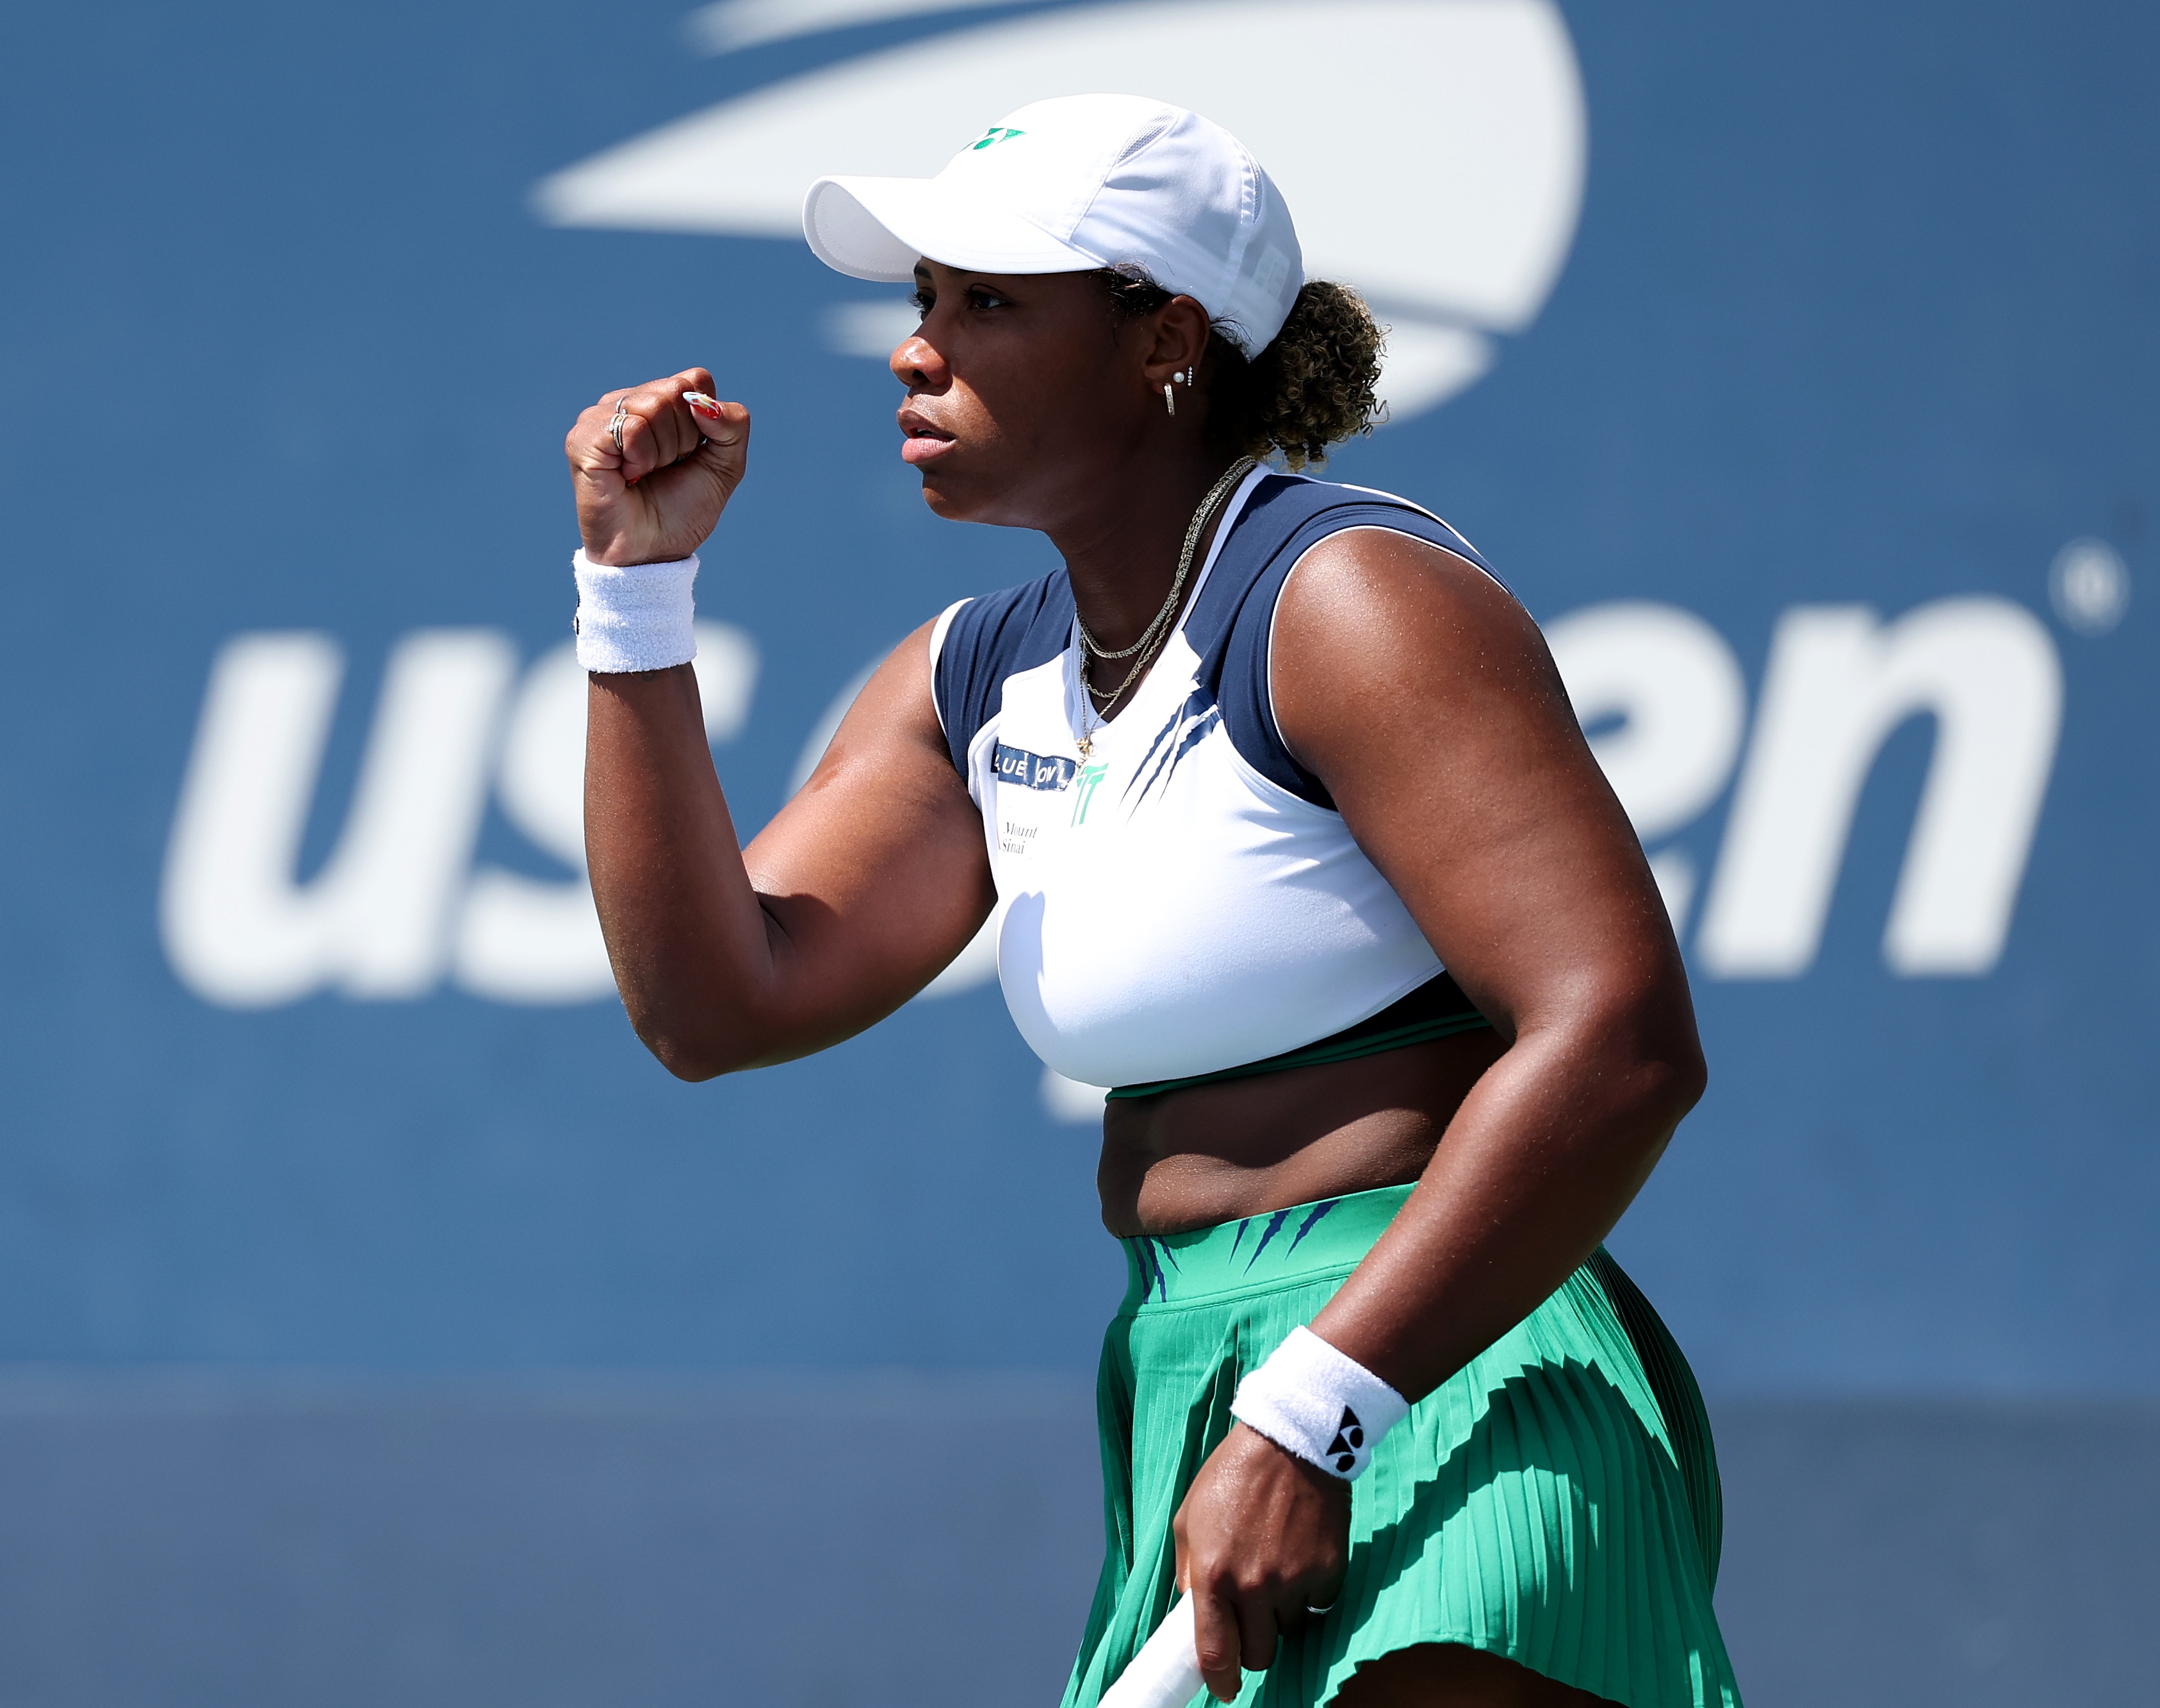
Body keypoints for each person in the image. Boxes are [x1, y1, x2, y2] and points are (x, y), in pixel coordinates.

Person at [559, 95, 1742, 1708]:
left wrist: (1321, 1407)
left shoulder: (1347, 603)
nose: (915, 350)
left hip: (1446, 1383)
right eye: (920, 302)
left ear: (1161, 340)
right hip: (1202, 1401)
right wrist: (634, 598)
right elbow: (717, 1004)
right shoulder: (974, 678)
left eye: (987, 304)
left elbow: (1619, 1036)